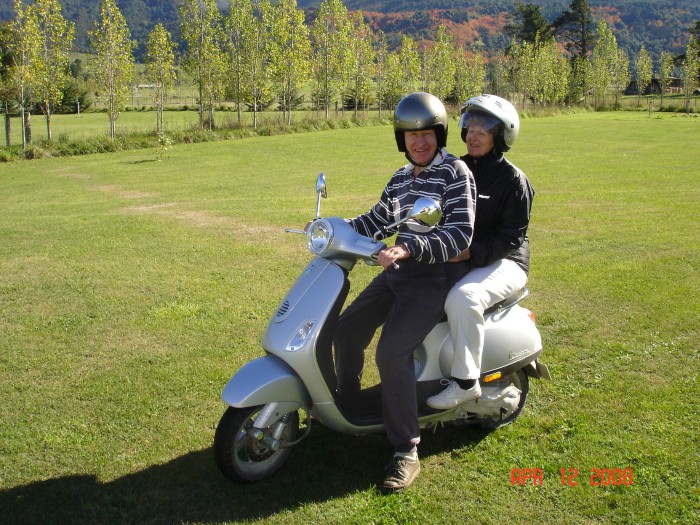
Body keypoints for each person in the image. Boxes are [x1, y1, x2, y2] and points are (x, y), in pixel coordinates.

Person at [333, 92, 476, 493]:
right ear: (402, 139)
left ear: (440, 134)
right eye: (411, 136)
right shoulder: (400, 178)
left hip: (435, 277)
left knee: (391, 352)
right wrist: (333, 227)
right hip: (399, 273)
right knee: (345, 329)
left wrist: (410, 247)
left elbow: (461, 234)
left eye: (427, 134)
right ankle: (349, 402)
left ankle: (406, 451)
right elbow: (377, 220)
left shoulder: (455, 172)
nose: (420, 142)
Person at [426, 94, 535, 410]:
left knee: (464, 298)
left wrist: (469, 253)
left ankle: (464, 382)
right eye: (469, 128)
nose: (473, 136)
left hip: (505, 260)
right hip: (461, 253)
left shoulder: (514, 181)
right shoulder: (454, 169)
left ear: (500, 137)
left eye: (483, 131)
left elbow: (511, 238)